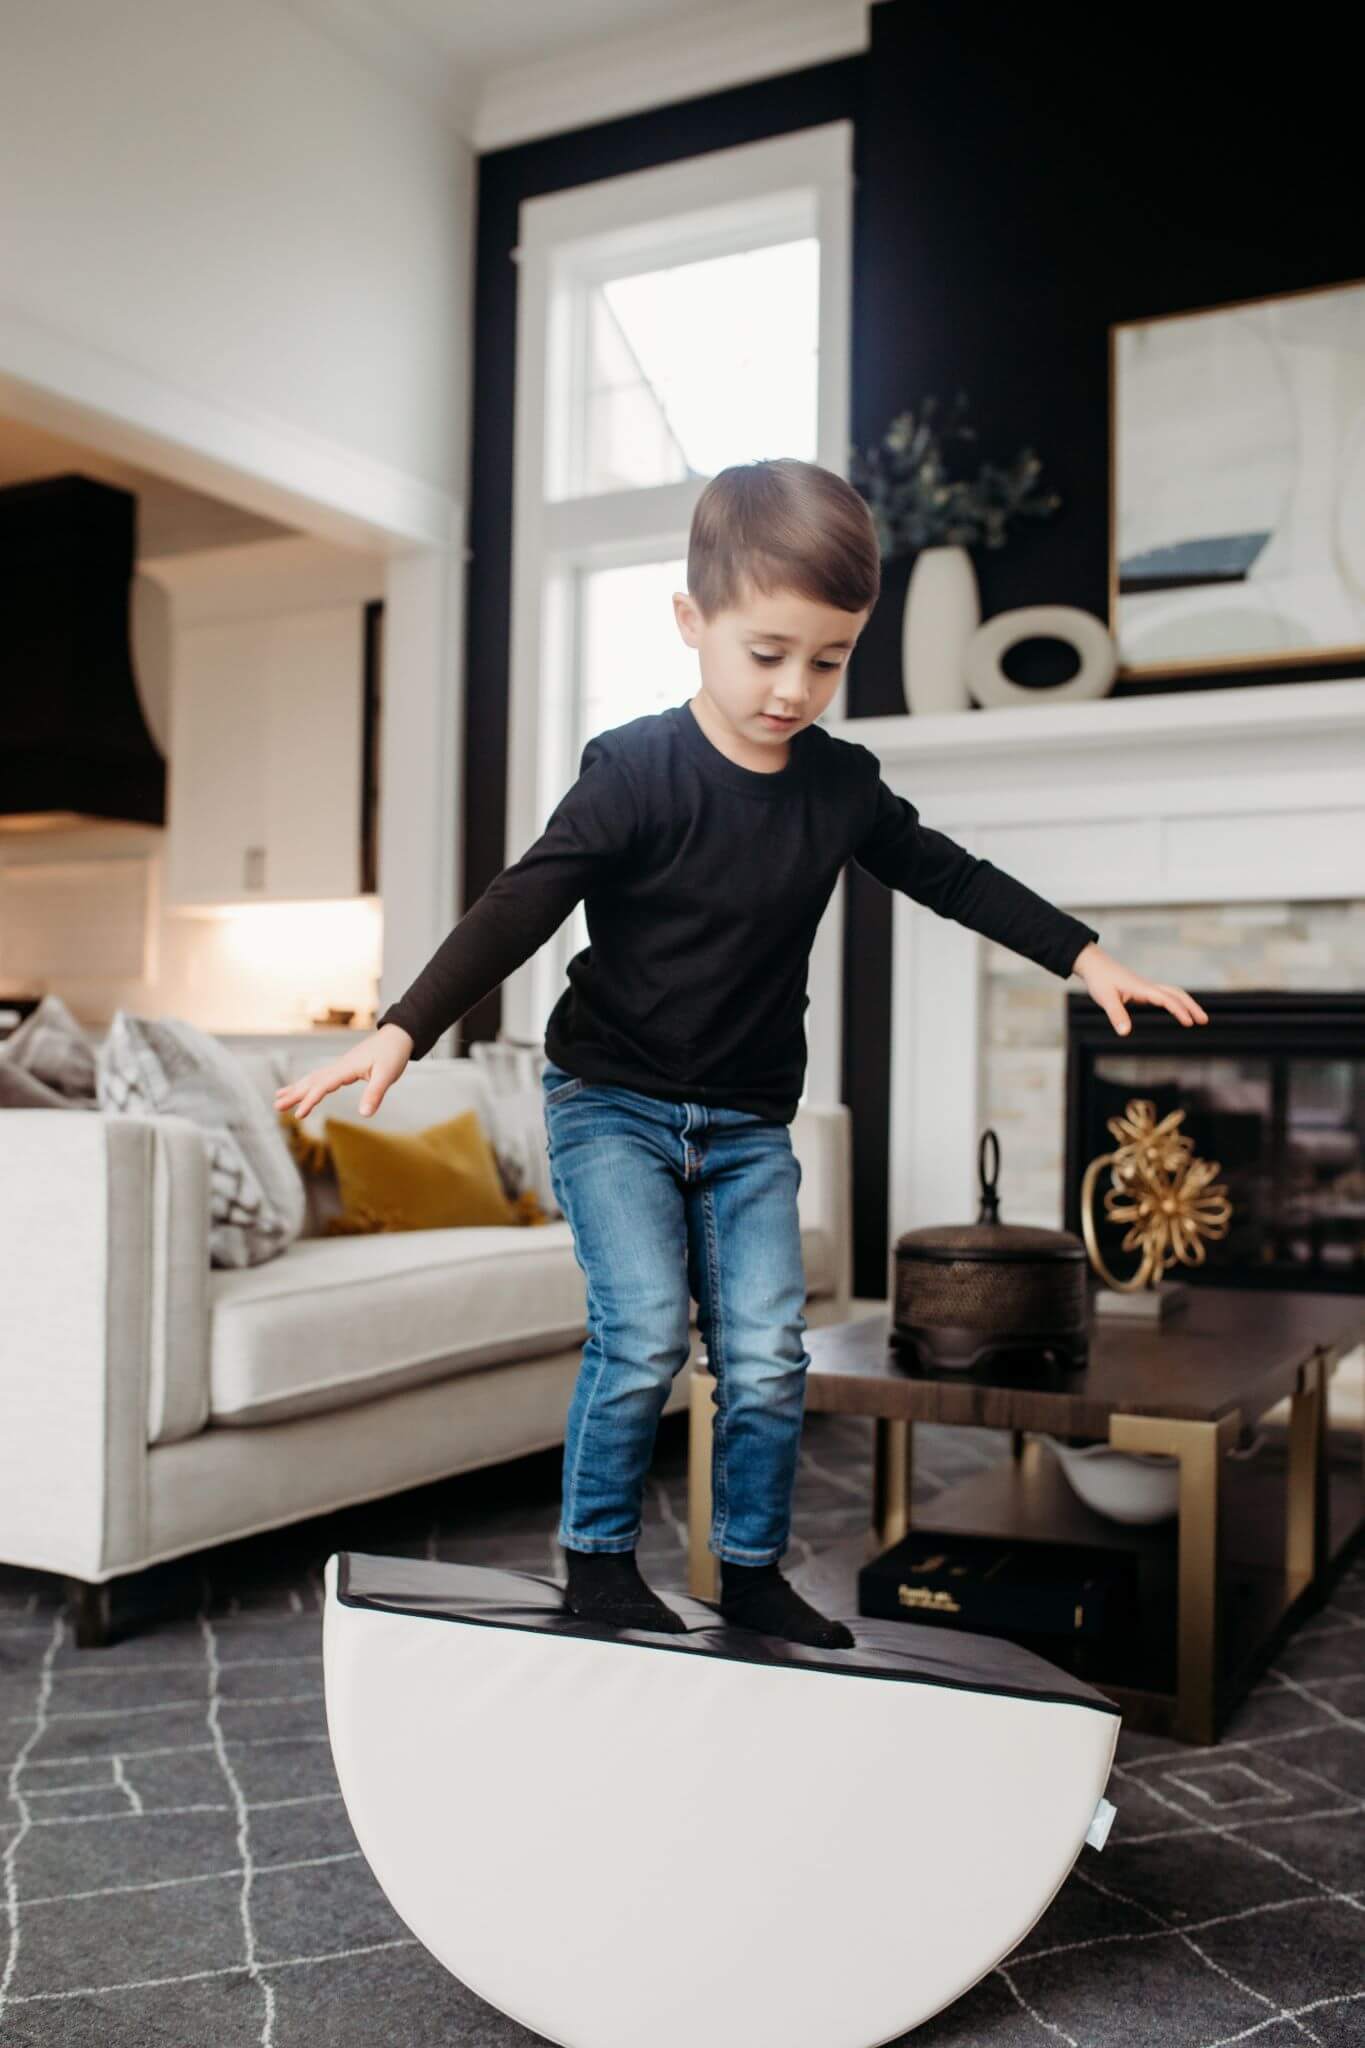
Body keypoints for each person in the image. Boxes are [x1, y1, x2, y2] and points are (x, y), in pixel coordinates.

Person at [275, 456, 1209, 1648]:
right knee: (646, 1327)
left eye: (827, 659)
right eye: (767, 652)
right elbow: (525, 900)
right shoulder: (635, 769)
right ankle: (599, 1557)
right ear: (692, 621)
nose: (794, 687)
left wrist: (1084, 956)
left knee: (768, 1351)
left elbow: (951, 876)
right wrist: (404, 1024)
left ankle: (752, 1573)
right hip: (609, 1101)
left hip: (748, 1121)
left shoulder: (839, 786)